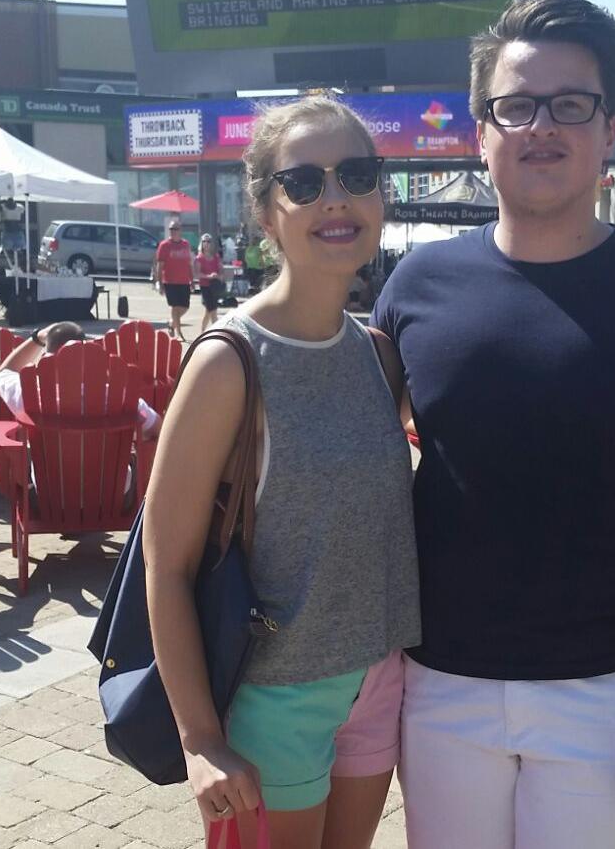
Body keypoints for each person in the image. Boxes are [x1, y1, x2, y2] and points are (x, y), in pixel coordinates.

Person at [371, 0, 615, 849]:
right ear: (481, 131)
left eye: (570, 104)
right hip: (443, 687)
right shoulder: (414, 288)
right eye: (515, 105)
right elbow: (353, 457)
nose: (540, 126)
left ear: (607, 127)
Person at [143, 95, 420, 849]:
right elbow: (165, 567)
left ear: (381, 196)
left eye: (356, 175)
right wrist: (200, 737)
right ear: (265, 213)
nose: (334, 198)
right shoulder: (228, 362)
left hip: (381, 677)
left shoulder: (379, 354)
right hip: (280, 694)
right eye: (303, 182)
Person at [0, 322, 161, 443]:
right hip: (112, 485)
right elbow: (158, 428)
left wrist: (38, 338)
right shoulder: (119, 397)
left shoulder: (31, 393)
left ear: (47, 358)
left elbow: (4, 372)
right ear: (88, 358)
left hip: (49, 481)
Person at [153, 220, 194, 341]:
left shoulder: (185, 244)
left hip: (184, 281)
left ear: (180, 231)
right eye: (171, 229)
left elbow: (189, 263)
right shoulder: (164, 245)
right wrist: (159, 283)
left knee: (185, 307)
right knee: (175, 307)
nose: (173, 231)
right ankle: (179, 333)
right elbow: (159, 266)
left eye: (175, 229)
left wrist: (192, 280)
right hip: (170, 281)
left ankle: (172, 323)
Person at [195, 232, 224, 332]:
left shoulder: (216, 257)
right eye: (204, 241)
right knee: (213, 310)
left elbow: (221, 270)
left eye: (208, 241)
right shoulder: (199, 258)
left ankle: (202, 331)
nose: (206, 243)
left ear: (211, 244)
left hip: (215, 286)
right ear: (201, 243)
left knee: (208, 310)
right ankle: (216, 332)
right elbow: (198, 274)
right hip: (205, 287)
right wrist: (209, 276)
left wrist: (219, 275)